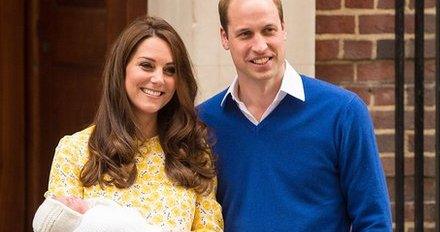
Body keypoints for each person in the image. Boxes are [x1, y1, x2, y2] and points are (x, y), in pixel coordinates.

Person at [196, 0, 392, 231]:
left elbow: (374, 221)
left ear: (283, 28)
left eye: (268, 30)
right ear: (225, 38)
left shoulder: (343, 112)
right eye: (245, 34)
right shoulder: (203, 122)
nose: (260, 46)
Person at [43, 16, 223, 232]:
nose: (159, 79)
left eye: (170, 70)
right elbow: (57, 224)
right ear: (121, 70)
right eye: (146, 66)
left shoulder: (194, 153)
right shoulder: (75, 150)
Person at [33, 195, 161, 232]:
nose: (73, 196)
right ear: (68, 218)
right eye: (69, 202)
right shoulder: (96, 220)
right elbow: (131, 222)